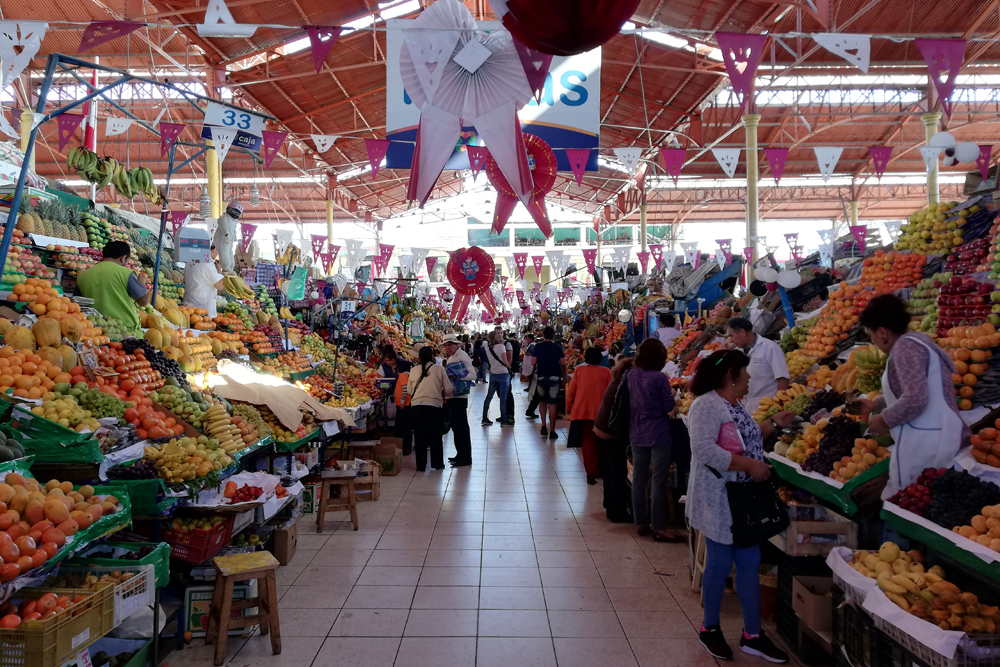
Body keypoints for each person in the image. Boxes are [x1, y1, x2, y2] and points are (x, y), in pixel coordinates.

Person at [687, 350, 794, 663]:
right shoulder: (705, 405)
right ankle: (710, 628)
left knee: (749, 560)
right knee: (720, 562)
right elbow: (704, 450)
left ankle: (752, 635)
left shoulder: (735, 404)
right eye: (744, 372)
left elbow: (743, 439)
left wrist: (772, 423)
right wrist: (748, 465)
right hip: (718, 495)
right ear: (730, 376)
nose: (749, 377)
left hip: (743, 497)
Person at [856, 294, 968, 497]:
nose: (872, 341)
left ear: (882, 333)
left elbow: (916, 397)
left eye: (870, 335)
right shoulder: (916, 341)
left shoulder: (904, 349)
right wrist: (875, 405)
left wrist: (884, 420)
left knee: (917, 499)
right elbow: (910, 387)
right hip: (936, 434)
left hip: (931, 443)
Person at [626, 338, 682, 542]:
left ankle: (640, 522)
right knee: (658, 480)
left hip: (637, 430)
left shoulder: (631, 374)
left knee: (638, 479)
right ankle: (659, 526)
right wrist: (673, 396)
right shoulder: (659, 378)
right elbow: (669, 407)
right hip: (658, 432)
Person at [594, 357, 635, 522]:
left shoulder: (617, 382)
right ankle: (616, 511)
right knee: (616, 472)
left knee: (611, 472)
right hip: (610, 434)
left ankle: (610, 506)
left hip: (603, 431)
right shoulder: (622, 387)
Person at [76, 241, 150, 330]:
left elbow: (77, 304)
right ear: (123, 258)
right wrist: (141, 284)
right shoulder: (126, 273)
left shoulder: (83, 275)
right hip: (124, 331)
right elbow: (144, 302)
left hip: (95, 330)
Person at [566, 347, 613, 484]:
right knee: (602, 441)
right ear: (600, 359)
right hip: (602, 413)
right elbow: (611, 393)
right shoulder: (606, 372)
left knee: (587, 442)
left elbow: (571, 392)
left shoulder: (579, 371)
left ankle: (590, 473)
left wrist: (569, 406)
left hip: (582, 412)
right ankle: (601, 470)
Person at [726, 316, 790, 414]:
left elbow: (783, 378)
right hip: (748, 409)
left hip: (769, 408)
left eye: (731, 336)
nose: (731, 340)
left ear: (742, 332)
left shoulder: (770, 347)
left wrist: (779, 404)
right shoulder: (737, 352)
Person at [407, 346, 453, 472]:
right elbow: (448, 389)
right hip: (434, 407)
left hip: (416, 407)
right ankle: (437, 464)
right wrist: (441, 394)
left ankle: (420, 466)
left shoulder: (414, 370)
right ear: (432, 356)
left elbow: (410, 390)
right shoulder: (439, 369)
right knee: (435, 436)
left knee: (419, 437)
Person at [442, 334, 475, 468]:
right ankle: (460, 454)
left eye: (450, 345)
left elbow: (473, 374)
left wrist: (458, 377)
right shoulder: (451, 357)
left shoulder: (462, 356)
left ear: (456, 345)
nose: (448, 348)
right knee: (456, 427)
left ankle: (466, 457)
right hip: (452, 396)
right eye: (446, 345)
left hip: (459, 398)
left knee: (461, 427)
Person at [531, 326, 566, 439]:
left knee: (542, 402)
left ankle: (543, 426)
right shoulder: (557, 347)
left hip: (542, 376)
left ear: (543, 335)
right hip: (555, 377)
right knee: (552, 404)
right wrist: (564, 375)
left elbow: (533, 362)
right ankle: (552, 431)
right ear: (553, 336)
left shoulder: (538, 346)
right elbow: (563, 363)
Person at [378, 347, 413, 455]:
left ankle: (405, 447)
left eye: (390, 360)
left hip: (404, 405)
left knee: (403, 426)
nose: (387, 363)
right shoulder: (405, 374)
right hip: (403, 403)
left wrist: (402, 402)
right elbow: (380, 381)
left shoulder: (402, 375)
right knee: (403, 426)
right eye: (386, 360)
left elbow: (405, 390)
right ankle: (403, 445)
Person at [481, 329, 512, 426]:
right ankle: (503, 420)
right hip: (503, 374)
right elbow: (505, 361)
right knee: (503, 398)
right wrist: (509, 367)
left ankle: (485, 418)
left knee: (489, 397)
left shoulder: (487, 348)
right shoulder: (501, 346)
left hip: (493, 374)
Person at [213, 201, 242, 273]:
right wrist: (226, 233)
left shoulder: (232, 220)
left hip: (228, 237)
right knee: (225, 251)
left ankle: (230, 267)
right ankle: (227, 267)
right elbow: (223, 224)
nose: (236, 213)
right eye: (235, 210)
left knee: (228, 252)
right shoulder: (224, 217)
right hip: (225, 236)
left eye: (238, 212)